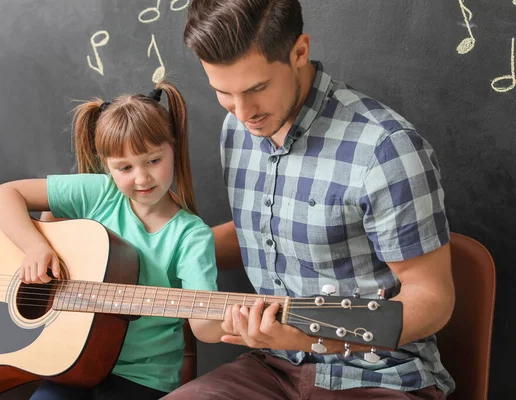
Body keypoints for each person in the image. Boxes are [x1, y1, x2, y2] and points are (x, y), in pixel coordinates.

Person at [164, 0, 456, 399]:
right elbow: (264, 232)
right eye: (223, 92)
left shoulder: (386, 149)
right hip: (271, 367)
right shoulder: (237, 128)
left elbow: (432, 297)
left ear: (299, 51)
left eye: (257, 88)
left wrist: (314, 337)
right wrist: (154, 253)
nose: (243, 111)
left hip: (377, 375)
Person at [0, 81, 224, 400]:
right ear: (107, 167)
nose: (142, 178)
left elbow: (205, 328)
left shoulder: (191, 235)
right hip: (69, 361)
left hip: (142, 378)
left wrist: (239, 321)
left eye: (154, 160)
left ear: (174, 147)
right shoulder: (99, 193)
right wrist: (35, 246)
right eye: (124, 167)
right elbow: (4, 195)